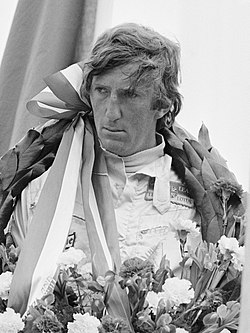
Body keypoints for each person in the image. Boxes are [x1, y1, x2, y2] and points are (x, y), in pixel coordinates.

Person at [3, 22, 243, 315]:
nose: (110, 113)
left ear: (163, 104)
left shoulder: (202, 208)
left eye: (130, 95)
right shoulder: (40, 193)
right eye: (102, 91)